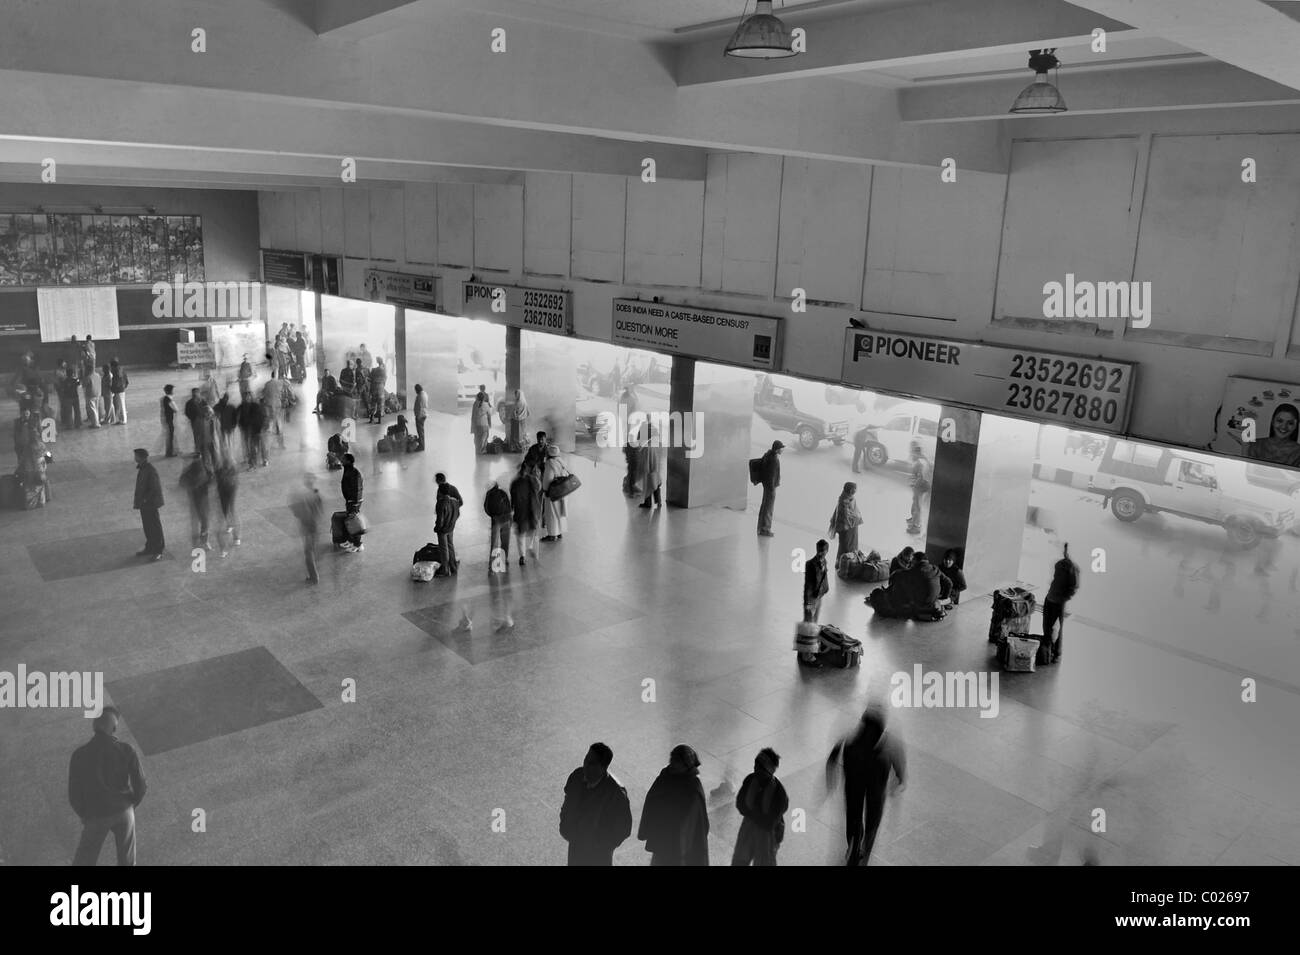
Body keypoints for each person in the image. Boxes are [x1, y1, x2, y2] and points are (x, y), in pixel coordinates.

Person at [827, 705, 907, 866]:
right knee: (870, 819)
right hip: (873, 789)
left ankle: (855, 844)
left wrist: (831, 775)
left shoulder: (851, 740)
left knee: (855, 815)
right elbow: (899, 763)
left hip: (856, 784)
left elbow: (833, 756)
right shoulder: (888, 744)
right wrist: (900, 778)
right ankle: (861, 849)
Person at [68, 706, 147, 866]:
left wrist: (85, 814)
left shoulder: (79, 755)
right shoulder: (126, 750)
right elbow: (141, 784)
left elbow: (74, 794)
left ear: (94, 726)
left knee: (85, 858)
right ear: (115, 728)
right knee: (127, 858)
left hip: (96, 814)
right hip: (124, 810)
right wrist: (130, 805)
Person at [559, 742, 633, 866]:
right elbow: (568, 802)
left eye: (592, 763)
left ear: (603, 767)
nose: (586, 765)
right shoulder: (576, 776)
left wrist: (600, 845)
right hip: (576, 847)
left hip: (598, 856)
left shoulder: (616, 794)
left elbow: (623, 829)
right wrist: (566, 826)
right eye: (586, 759)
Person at [638, 744, 709, 866]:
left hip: (679, 847)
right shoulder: (666, 775)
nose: (672, 763)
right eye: (672, 759)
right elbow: (652, 798)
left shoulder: (693, 788)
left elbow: (695, 824)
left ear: (686, 765)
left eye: (677, 761)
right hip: (663, 839)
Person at [731, 748, 788, 867]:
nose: (755, 769)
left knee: (764, 862)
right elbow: (740, 803)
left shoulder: (779, 794)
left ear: (769, 771)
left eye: (759, 767)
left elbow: (770, 822)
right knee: (740, 858)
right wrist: (756, 815)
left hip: (768, 834)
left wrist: (751, 813)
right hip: (750, 826)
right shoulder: (751, 779)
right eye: (755, 765)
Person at [1043, 542, 1079, 662]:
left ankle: (1056, 652)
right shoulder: (1059, 564)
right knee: (1047, 627)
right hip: (1050, 597)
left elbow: (1073, 587)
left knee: (1056, 627)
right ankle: (1047, 650)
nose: (1066, 553)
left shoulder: (1072, 568)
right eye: (1065, 550)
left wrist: (1064, 598)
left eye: (1067, 551)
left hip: (1059, 601)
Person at [1238, 402, 1300, 467]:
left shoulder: (1298, 451)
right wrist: (1245, 448)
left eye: (1290, 423)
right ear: (1272, 421)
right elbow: (1246, 472)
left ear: (1295, 426)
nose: (1284, 426)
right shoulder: (1256, 444)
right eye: (1279, 421)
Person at [290, 472, 323, 584]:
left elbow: (298, 512)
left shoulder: (304, 497)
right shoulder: (316, 494)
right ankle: (314, 573)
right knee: (312, 550)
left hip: (308, 526)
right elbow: (319, 511)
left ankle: (314, 577)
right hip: (315, 526)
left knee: (308, 552)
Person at [133, 449, 165, 560]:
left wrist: (146, 499)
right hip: (144, 504)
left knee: (155, 526)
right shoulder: (143, 469)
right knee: (148, 526)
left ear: (142, 457)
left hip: (150, 504)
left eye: (136, 456)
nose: (134, 458)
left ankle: (158, 550)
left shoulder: (150, 470)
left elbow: (154, 488)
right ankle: (150, 547)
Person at [510, 460, 543, 566]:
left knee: (521, 535)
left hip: (520, 512)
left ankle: (522, 557)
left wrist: (512, 508)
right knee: (533, 532)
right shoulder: (532, 480)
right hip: (532, 510)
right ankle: (532, 550)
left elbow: (512, 498)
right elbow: (539, 488)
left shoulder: (515, 482)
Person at [180, 457, 214, 551]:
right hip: (202, 500)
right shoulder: (203, 470)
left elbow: (182, 482)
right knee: (204, 521)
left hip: (195, 500)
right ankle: (204, 541)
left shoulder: (190, 471)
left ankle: (197, 542)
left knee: (196, 522)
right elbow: (211, 480)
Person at [540, 445, 569, 542]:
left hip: (553, 493)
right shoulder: (561, 461)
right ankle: (559, 533)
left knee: (552, 514)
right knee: (560, 513)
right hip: (563, 492)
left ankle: (552, 535)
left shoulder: (550, 463)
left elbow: (547, 479)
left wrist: (544, 489)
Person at [434, 473, 461, 576]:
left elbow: (440, 519)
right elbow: (457, 512)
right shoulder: (454, 501)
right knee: (450, 545)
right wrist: (452, 521)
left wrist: (437, 528)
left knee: (443, 548)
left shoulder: (441, 503)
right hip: (451, 526)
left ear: (440, 492)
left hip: (443, 529)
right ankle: (453, 567)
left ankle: (445, 569)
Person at [828, 481, 863, 559]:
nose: (855, 491)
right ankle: (843, 562)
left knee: (853, 546)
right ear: (850, 490)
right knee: (845, 547)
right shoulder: (843, 501)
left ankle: (852, 559)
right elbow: (844, 516)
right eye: (854, 489)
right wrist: (854, 519)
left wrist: (855, 518)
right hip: (845, 529)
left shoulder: (852, 499)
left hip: (853, 528)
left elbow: (855, 513)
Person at [757, 440, 783, 537]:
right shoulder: (774, 459)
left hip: (766, 486)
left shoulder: (768, 455)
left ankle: (761, 527)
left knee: (764, 506)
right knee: (768, 509)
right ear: (777, 449)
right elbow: (771, 475)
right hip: (770, 487)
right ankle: (765, 529)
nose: (782, 450)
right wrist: (772, 487)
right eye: (781, 448)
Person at [484, 479, 513, 567]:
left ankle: (493, 564)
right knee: (505, 541)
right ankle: (505, 559)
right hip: (507, 519)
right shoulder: (503, 492)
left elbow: (486, 508)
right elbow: (509, 505)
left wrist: (492, 516)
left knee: (495, 543)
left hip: (496, 520)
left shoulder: (489, 494)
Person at [215, 462, 241, 558]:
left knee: (224, 515)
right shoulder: (229, 464)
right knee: (230, 511)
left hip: (226, 487)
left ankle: (224, 548)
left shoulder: (222, 463)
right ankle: (236, 537)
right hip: (229, 486)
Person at [340, 453, 364, 553]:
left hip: (353, 502)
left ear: (349, 461)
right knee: (350, 522)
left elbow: (357, 489)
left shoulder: (355, 473)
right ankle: (351, 540)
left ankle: (358, 545)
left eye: (343, 459)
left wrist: (354, 502)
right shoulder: (348, 470)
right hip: (349, 501)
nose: (341, 461)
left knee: (354, 523)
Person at [906, 441, 931, 535]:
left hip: (920, 486)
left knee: (917, 506)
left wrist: (915, 487)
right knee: (915, 504)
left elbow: (921, 477)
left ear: (916, 453)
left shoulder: (919, 463)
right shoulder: (922, 460)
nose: (911, 454)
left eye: (913, 452)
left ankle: (916, 527)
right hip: (921, 485)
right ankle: (913, 519)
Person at [639, 423, 666, 509]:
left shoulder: (647, 447)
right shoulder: (657, 444)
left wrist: (644, 471)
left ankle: (648, 503)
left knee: (648, 487)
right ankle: (659, 502)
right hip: (656, 469)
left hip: (650, 470)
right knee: (656, 485)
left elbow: (646, 462)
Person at [804, 539, 830, 623]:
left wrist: (824, 590)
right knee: (808, 618)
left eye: (822, 551)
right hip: (811, 596)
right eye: (818, 550)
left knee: (815, 618)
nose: (820, 553)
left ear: (827, 551)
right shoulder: (810, 564)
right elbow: (807, 585)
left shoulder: (825, 562)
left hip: (820, 593)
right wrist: (807, 602)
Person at [239, 393, 266, 470]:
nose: (247, 398)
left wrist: (261, 426)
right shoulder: (243, 406)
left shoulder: (255, 406)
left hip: (258, 429)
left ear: (251, 397)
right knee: (252, 447)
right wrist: (242, 426)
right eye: (246, 397)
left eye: (249, 397)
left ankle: (264, 459)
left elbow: (260, 417)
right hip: (250, 430)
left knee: (261, 445)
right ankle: (253, 464)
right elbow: (242, 418)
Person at [83, 356, 102, 428]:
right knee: (96, 408)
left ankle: (95, 423)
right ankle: (97, 421)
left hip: (90, 394)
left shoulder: (88, 377)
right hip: (97, 393)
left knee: (92, 409)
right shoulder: (97, 375)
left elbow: (84, 385)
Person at [159, 385, 178, 458]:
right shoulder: (168, 399)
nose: (173, 391)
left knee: (169, 435)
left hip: (166, 419)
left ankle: (170, 451)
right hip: (169, 420)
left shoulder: (164, 398)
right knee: (170, 436)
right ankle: (170, 452)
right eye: (173, 390)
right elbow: (176, 409)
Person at [471, 389, 492, 453]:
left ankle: (478, 450)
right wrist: (490, 424)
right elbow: (489, 415)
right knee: (484, 438)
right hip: (484, 424)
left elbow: (473, 416)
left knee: (477, 438)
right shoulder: (486, 404)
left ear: (477, 397)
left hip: (477, 424)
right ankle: (482, 450)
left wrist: (472, 427)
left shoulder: (475, 404)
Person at [108, 359, 129, 424]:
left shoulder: (115, 371)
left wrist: (112, 389)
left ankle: (123, 420)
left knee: (121, 405)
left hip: (119, 390)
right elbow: (125, 379)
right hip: (122, 389)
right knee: (121, 404)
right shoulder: (121, 370)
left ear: (113, 366)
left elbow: (115, 382)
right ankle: (121, 419)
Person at [368, 357, 388, 424]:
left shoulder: (374, 370)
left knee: (373, 404)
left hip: (374, 388)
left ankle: (371, 419)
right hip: (381, 389)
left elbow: (370, 379)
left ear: (377, 362)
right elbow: (385, 379)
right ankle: (379, 420)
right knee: (380, 405)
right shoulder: (384, 370)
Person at [412, 383, 428, 450]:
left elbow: (419, 407)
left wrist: (417, 416)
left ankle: (421, 446)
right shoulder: (424, 394)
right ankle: (421, 443)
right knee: (421, 431)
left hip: (420, 415)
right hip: (424, 414)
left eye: (415, 390)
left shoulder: (419, 396)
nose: (415, 391)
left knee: (420, 431)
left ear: (417, 389)